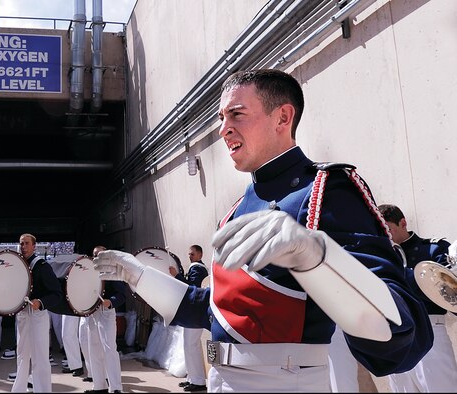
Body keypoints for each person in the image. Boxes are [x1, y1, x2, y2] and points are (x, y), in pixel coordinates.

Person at [93, 69, 434, 392]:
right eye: (221, 118)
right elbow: (216, 311)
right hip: (223, 381)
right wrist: (139, 276)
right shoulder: (236, 208)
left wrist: (316, 258)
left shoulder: (324, 190)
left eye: (237, 114)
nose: (223, 129)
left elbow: (399, 332)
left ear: (283, 118)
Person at [378, 203, 457, 392]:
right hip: (392, 335)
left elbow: (443, 293)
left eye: (388, 229)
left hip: (429, 328)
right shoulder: (381, 256)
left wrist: (401, 276)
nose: (385, 236)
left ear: (403, 223)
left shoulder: (433, 249)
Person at [11, 233, 63, 393]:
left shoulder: (42, 266)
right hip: (22, 315)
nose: (23, 247)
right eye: (21, 244)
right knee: (22, 355)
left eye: (27, 243)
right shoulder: (17, 266)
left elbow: (56, 293)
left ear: (34, 246)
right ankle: (19, 389)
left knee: (40, 357)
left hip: (37, 315)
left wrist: (40, 302)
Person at [84, 245, 126, 394]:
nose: (97, 257)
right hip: (92, 312)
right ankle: (99, 386)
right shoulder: (88, 270)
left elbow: (121, 295)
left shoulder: (113, 269)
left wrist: (110, 301)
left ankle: (115, 388)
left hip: (106, 311)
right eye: (95, 254)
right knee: (93, 349)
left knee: (109, 349)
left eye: (100, 254)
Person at [169, 245, 208, 392]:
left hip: (195, 312)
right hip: (193, 313)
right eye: (189, 254)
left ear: (200, 254)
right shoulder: (195, 267)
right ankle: (192, 377)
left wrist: (176, 276)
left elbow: (192, 287)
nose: (190, 256)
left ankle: (198, 381)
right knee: (189, 345)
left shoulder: (198, 268)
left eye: (192, 254)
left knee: (191, 346)